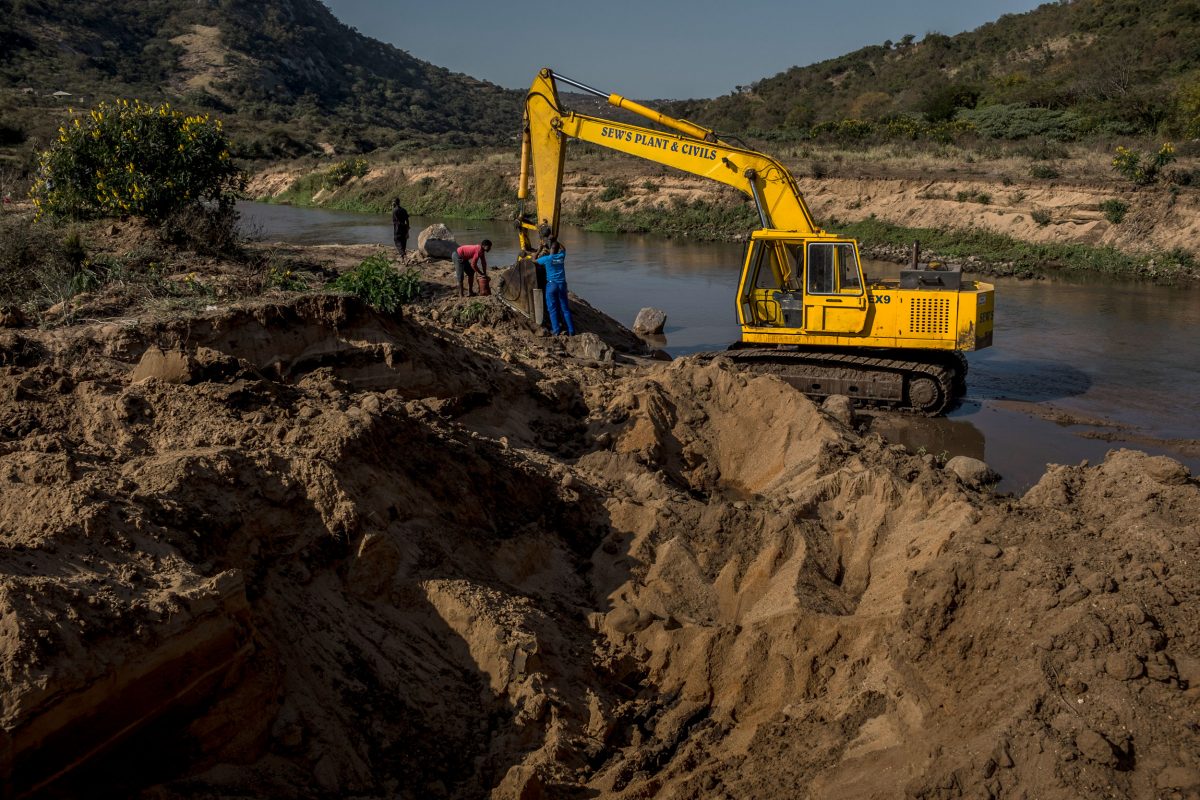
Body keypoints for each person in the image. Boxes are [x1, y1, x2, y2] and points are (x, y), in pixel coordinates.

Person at [536, 238, 575, 336]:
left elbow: (533, 260)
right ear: (557, 249)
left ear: (549, 249)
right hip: (562, 285)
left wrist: (539, 250)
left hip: (551, 285)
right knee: (565, 308)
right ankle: (571, 330)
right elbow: (564, 249)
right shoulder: (561, 256)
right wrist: (556, 240)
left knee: (552, 308)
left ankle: (556, 330)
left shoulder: (547, 259)